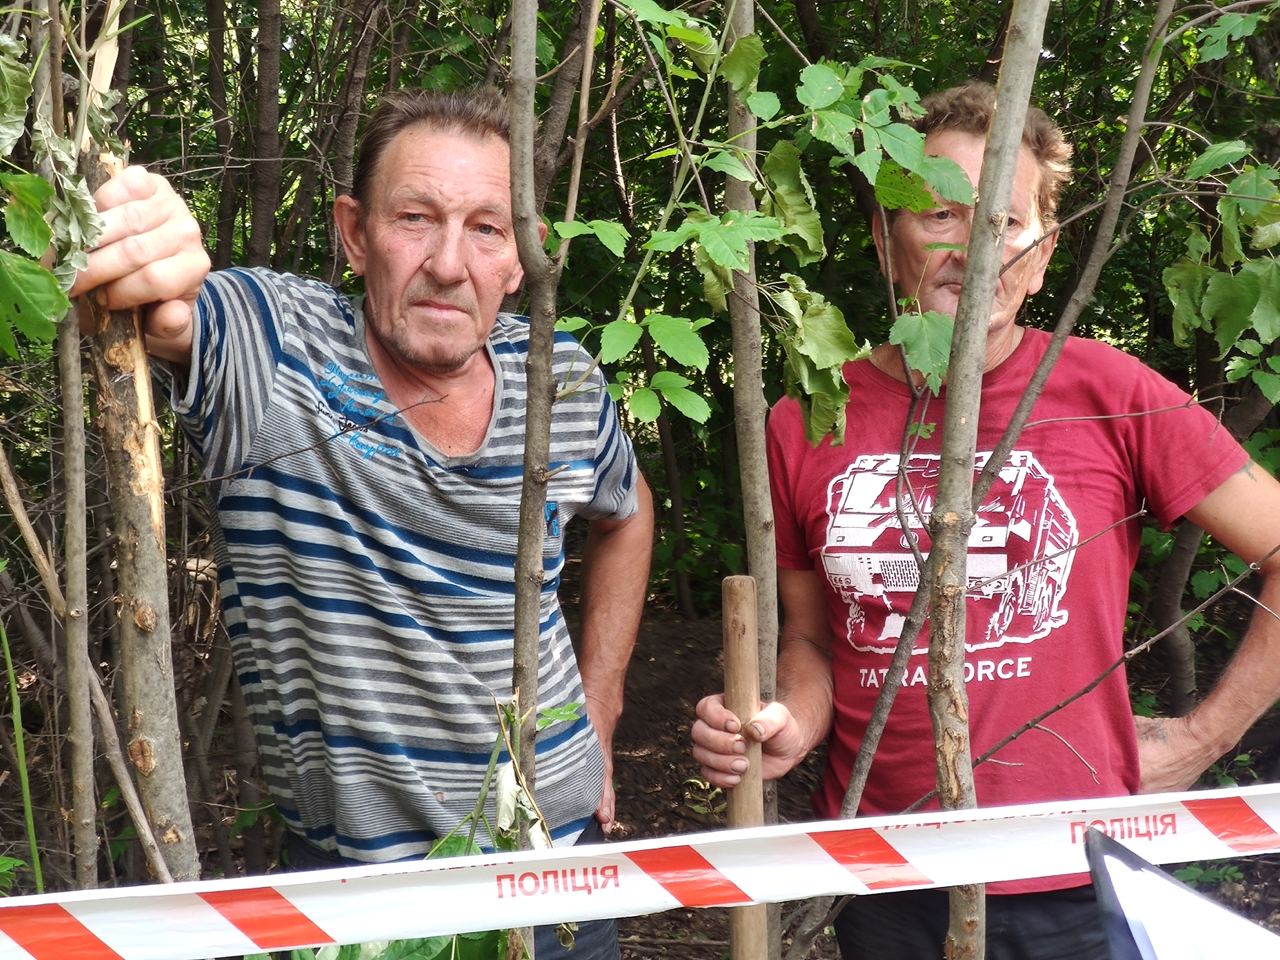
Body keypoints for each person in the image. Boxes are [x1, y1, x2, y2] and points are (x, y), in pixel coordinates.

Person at [691, 80, 1280, 958]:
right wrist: (786, 726)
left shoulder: (1106, 392)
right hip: (882, 872)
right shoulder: (807, 415)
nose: (973, 249)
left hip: (1078, 872)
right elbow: (814, 643)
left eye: (1003, 224)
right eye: (939, 216)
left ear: (1042, 256)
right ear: (890, 240)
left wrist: (1205, 738)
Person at [73, 87, 653, 959]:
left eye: (486, 229)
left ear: (517, 260)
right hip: (356, 900)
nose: (450, 263)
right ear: (355, 232)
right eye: (416, 217)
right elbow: (174, 312)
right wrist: (143, 239)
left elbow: (628, 513)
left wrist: (600, 711)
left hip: (558, 868)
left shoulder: (559, 380)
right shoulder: (282, 356)